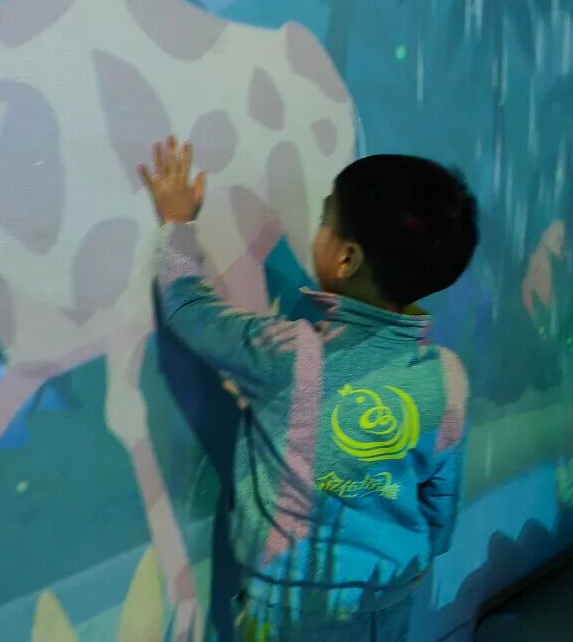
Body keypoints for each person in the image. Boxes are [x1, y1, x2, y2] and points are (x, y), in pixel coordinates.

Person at [138, 137, 477, 641]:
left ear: (346, 259)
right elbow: (440, 498)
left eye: (324, 220)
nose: (316, 230)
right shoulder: (447, 376)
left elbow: (189, 309)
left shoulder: (291, 354)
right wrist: (420, 556)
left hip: (288, 610)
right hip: (387, 598)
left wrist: (176, 224)